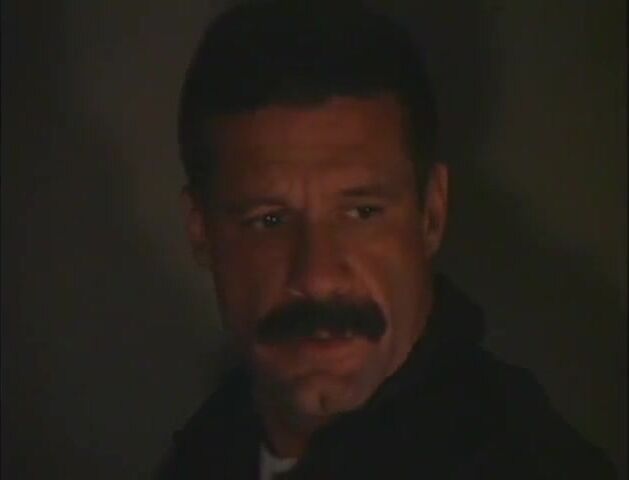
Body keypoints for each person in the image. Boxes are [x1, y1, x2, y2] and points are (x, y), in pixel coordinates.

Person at [160, 1, 616, 478]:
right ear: (201, 231)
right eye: (269, 220)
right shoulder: (203, 453)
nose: (318, 277)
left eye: (362, 213)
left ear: (431, 214)